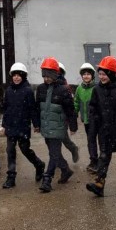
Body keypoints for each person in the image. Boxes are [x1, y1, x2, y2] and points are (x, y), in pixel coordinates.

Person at [85, 56, 116, 197]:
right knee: (104, 157)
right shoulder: (97, 90)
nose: (101, 77)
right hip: (105, 131)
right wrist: (94, 127)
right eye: (99, 74)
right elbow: (93, 109)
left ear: (111, 74)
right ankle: (99, 184)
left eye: (104, 74)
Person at [35, 57, 77, 193]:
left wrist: (73, 126)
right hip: (46, 126)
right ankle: (65, 170)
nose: (46, 79)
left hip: (58, 126)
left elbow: (71, 110)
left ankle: (47, 179)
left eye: (49, 76)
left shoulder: (64, 90)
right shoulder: (40, 89)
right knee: (54, 152)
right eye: (44, 76)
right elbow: (37, 108)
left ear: (55, 74)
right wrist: (37, 124)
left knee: (53, 154)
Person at [1, 62, 45, 189]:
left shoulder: (28, 91)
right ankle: (11, 177)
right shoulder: (8, 90)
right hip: (10, 126)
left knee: (25, 149)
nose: (16, 77)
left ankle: (39, 165)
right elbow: (6, 109)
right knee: (10, 151)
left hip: (23, 126)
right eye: (14, 75)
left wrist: (36, 124)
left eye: (19, 75)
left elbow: (33, 109)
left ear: (23, 76)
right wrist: (4, 125)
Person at [74, 62, 98, 173]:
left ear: (92, 76)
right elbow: (76, 103)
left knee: (101, 141)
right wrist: (73, 115)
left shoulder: (97, 88)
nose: (86, 76)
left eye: (88, 74)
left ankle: (101, 161)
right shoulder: (79, 89)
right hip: (87, 121)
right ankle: (93, 160)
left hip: (98, 120)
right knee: (90, 140)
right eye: (84, 74)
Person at [57, 62, 80, 164]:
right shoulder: (47, 86)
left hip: (63, 118)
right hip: (51, 118)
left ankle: (73, 148)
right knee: (54, 141)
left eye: (58, 72)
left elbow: (71, 108)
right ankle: (57, 160)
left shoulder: (66, 88)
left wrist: (72, 125)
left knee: (63, 138)